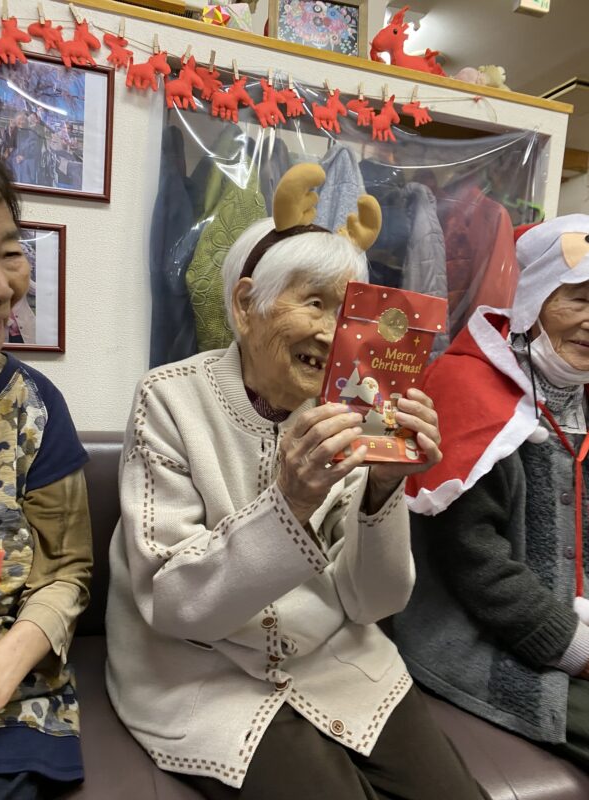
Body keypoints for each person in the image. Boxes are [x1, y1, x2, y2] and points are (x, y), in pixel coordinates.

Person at [106, 163, 488, 799]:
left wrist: (382, 489)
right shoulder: (169, 400)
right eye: (313, 302)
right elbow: (174, 606)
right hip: (200, 670)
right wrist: (291, 503)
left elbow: (373, 603)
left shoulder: (350, 413)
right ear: (245, 305)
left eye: (347, 312)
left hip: (335, 659)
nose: (332, 333)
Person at [394, 214, 589, 771]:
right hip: (477, 630)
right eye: (578, 300)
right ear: (534, 300)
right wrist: (574, 648)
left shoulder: (580, 397)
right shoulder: (466, 387)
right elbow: (472, 559)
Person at [0, 152, 93, 799]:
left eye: (9, 254)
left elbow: (66, 570)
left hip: (14, 702)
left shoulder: (38, 409)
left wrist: (4, 666)